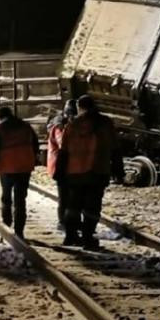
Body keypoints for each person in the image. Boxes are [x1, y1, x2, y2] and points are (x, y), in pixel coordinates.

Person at [56, 94, 124, 251]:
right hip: (98, 171)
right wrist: (118, 171)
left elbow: (63, 152)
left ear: (80, 107)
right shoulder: (105, 124)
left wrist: (60, 173)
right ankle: (88, 238)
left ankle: (70, 236)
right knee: (92, 207)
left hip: (74, 172)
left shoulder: (72, 125)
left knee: (73, 205)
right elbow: (115, 149)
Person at [0, 106, 39, 239]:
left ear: (0, 117)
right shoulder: (26, 127)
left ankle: (6, 224)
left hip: (6, 168)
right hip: (24, 167)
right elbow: (35, 145)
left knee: (6, 197)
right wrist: (32, 160)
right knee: (20, 199)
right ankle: (19, 231)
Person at [47, 99, 77, 230]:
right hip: (61, 165)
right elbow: (62, 144)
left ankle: (69, 222)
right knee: (64, 197)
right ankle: (62, 222)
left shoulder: (63, 125)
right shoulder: (59, 127)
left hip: (69, 165)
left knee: (70, 196)